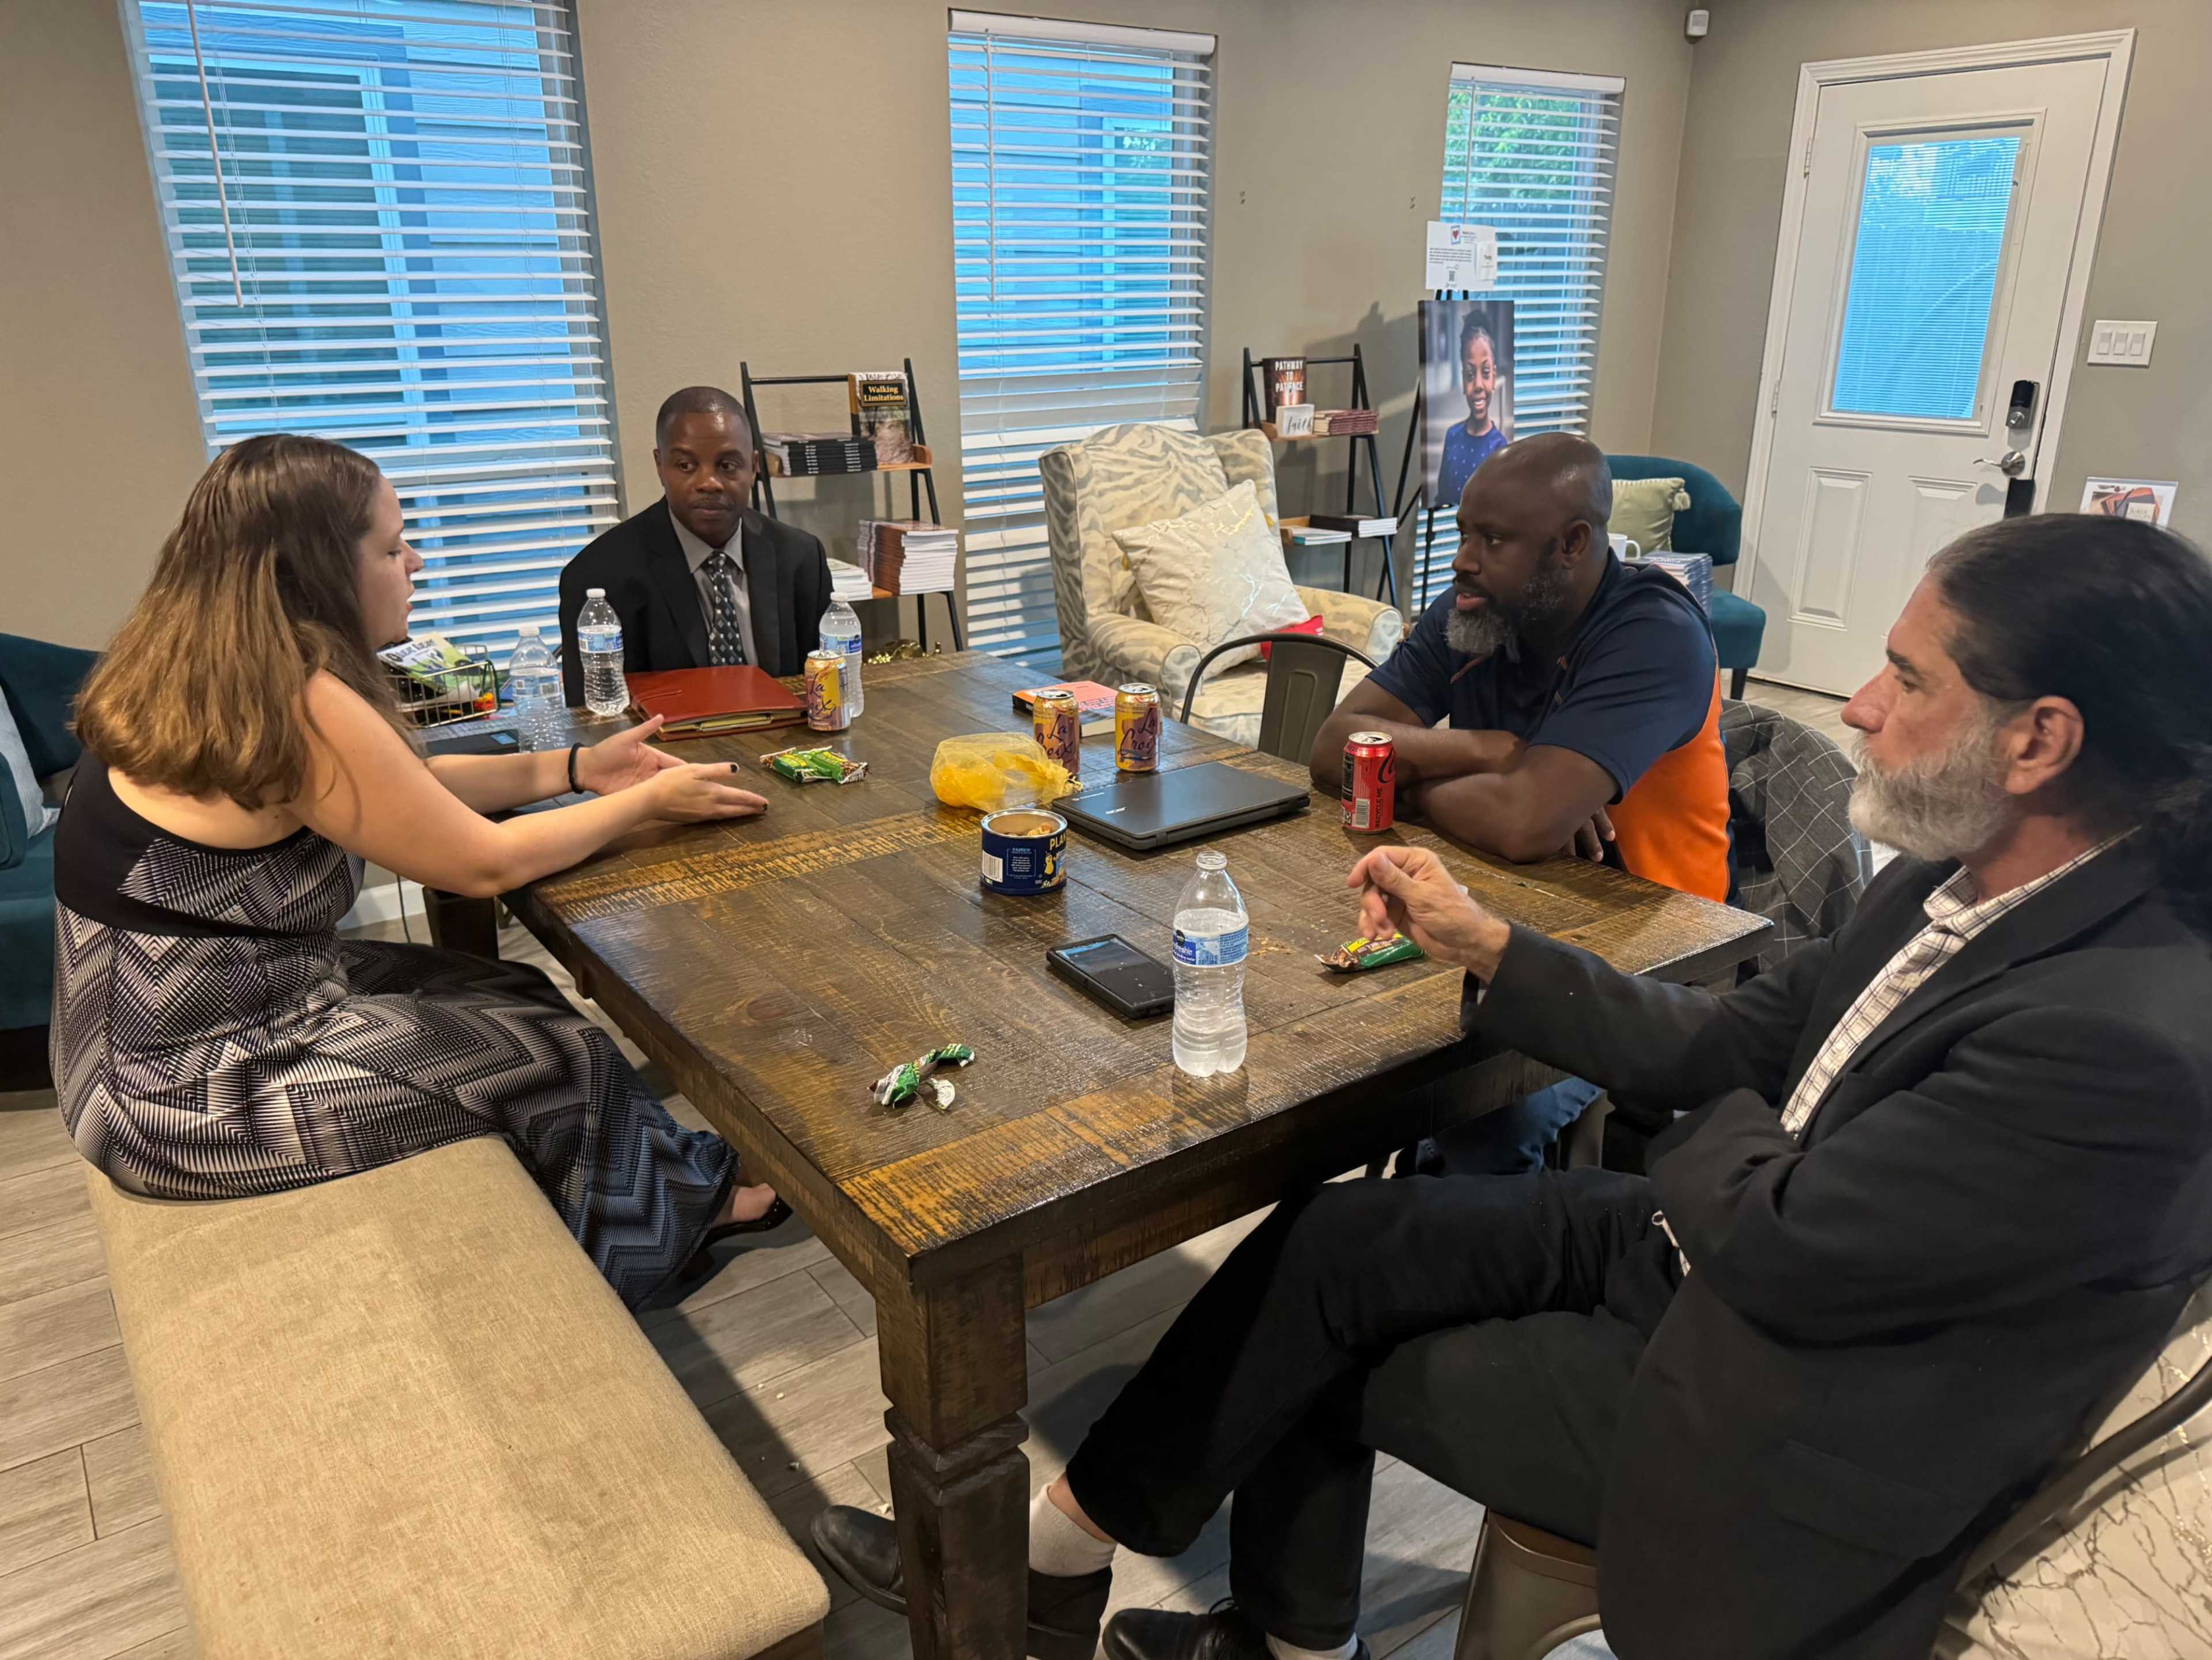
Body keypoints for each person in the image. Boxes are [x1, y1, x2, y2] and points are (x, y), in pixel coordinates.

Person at [813, 513, 2212, 1660]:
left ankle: (1223, 1618)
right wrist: (1491, 944)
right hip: (1704, 1254)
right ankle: (1086, 1562)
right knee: (1327, 1239)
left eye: (1906, 678)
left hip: (1780, 1416)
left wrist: (1722, 1122)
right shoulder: (1950, 873)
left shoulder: (2124, 1034)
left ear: (2039, 741)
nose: (1853, 700)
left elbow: (1783, 1238)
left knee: (1325, 1348)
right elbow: (1733, 1041)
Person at [57, 434, 791, 1311]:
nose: (415, 561)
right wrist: (642, 805)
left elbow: (396, 788)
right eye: (390, 545)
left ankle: (657, 1184)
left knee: (514, 989)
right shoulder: (302, 694)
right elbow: (483, 865)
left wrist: (575, 771)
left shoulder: (214, 663)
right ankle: (652, 1242)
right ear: (317, 567)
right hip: (188, 1089)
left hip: (166, 1027)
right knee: (557, 1053)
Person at [1312, 432, 1730, 1172]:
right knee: (1329, 1031)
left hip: (1648, 949)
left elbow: (1522, 824)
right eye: (1465, 531)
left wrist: (1413, 773)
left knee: (1484, 1109)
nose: (1462, 559)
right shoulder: (1472, 612)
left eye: (1493, 539)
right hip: (1496, 907)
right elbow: (1330, 747)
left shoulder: (1655, 636)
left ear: (1573, 544)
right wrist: (1488, 753)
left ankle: (1496, 1262)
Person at [558, 385, 834, 704]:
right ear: (660, 466)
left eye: (727, 466)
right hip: (664, 752)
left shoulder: (800, 557)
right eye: (686, 466)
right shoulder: (599, 576)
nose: (709, 483)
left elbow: (825, 687)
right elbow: (592, 719)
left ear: (755, 466)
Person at [1431, 316, 1508, 510]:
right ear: (1464, 382)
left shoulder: (1499, 447)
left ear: (1494, 378)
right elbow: (1442, 497)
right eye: (1471, 375)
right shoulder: (1453, 435)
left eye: (1486, 373)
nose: (1479, 386)